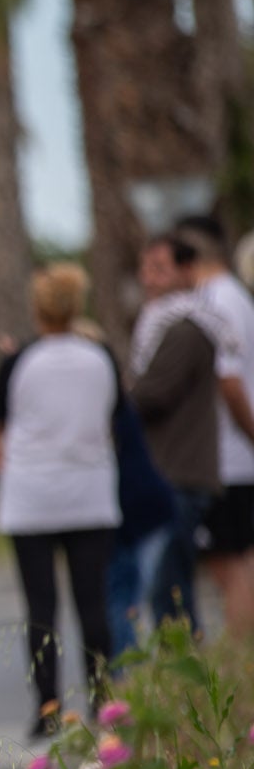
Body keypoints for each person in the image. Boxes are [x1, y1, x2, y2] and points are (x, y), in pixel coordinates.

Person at [0, 264, 119, 739]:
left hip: (32, 497)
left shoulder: (17, 361)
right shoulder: (100, 357)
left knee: (40, 606)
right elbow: (113, 416)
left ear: (37, 308)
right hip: (89, 492)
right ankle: (104, 701)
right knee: (93, 604)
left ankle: (47, 706)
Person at [129, 233, 220, 633]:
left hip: (179, 474)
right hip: (171, 472)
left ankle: (188, 683)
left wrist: (117, 400)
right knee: (170, 589)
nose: (149, 279)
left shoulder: (185, 329)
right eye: (145, 269)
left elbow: (152, 395)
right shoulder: (161, 324)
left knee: (170, 593)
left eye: (160, 269)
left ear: (187, 271)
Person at [173, 215, 254, 638]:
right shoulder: (234, 298)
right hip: (232, 457)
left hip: (227, 458)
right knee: (236, 561)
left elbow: (230, 383)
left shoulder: (217, 302)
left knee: (229, 566)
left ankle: (241, 658)